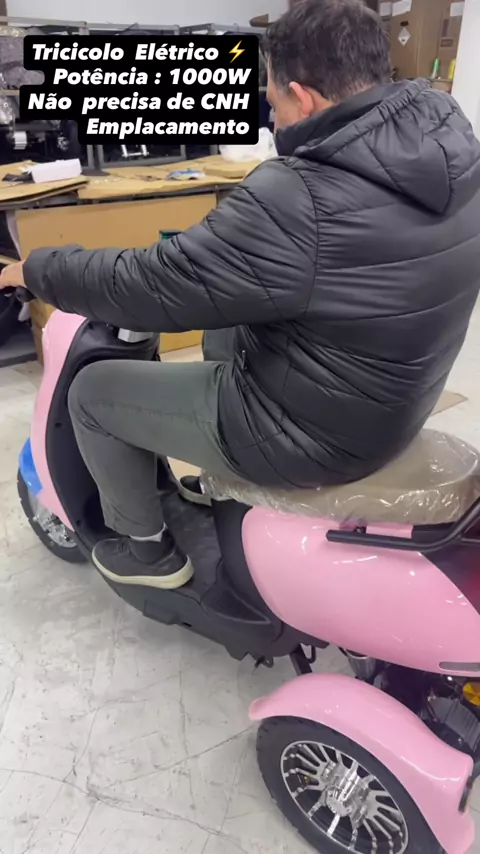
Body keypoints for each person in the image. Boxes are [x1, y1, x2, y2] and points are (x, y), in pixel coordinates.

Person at [2, 0, 480, 590]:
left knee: (92, 394)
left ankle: (147, 551)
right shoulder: (450, 149)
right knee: (224, 326)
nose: (272, 116)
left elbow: (149, 284)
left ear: (302, 97)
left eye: (272, 101)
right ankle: (216, 489)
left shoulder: (301, 194)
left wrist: (36, 269)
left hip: (317, 435)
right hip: (393, 397)